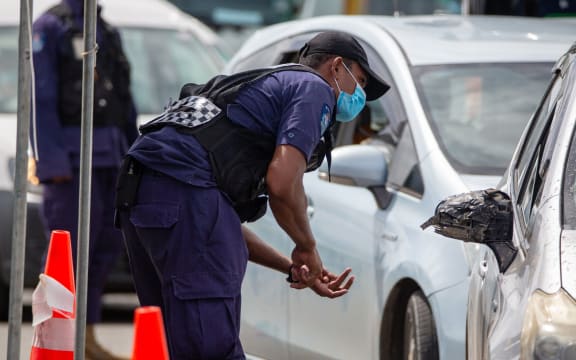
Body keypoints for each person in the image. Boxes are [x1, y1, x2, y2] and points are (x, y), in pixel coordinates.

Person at [115, 31, 389, 359]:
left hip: (139, 195)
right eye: (358, 81)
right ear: (336, 67)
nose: (359, 96)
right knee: (211, 348)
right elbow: (282, 183)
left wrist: (290, 266)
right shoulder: (314, 88)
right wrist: (307, 247)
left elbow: (212, 218)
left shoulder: (257, 92)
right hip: (178, 196)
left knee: (170, 345)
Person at [32, 1, 137, 359]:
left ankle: (86, 336)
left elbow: (124, 96)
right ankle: (58, 340)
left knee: (105, 250)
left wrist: (134, 154)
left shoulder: (105, 29)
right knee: (69, 255)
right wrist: (51, 161)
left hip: (111, 157)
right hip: (71, 162)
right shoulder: (51, 26)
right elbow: (41, 98)